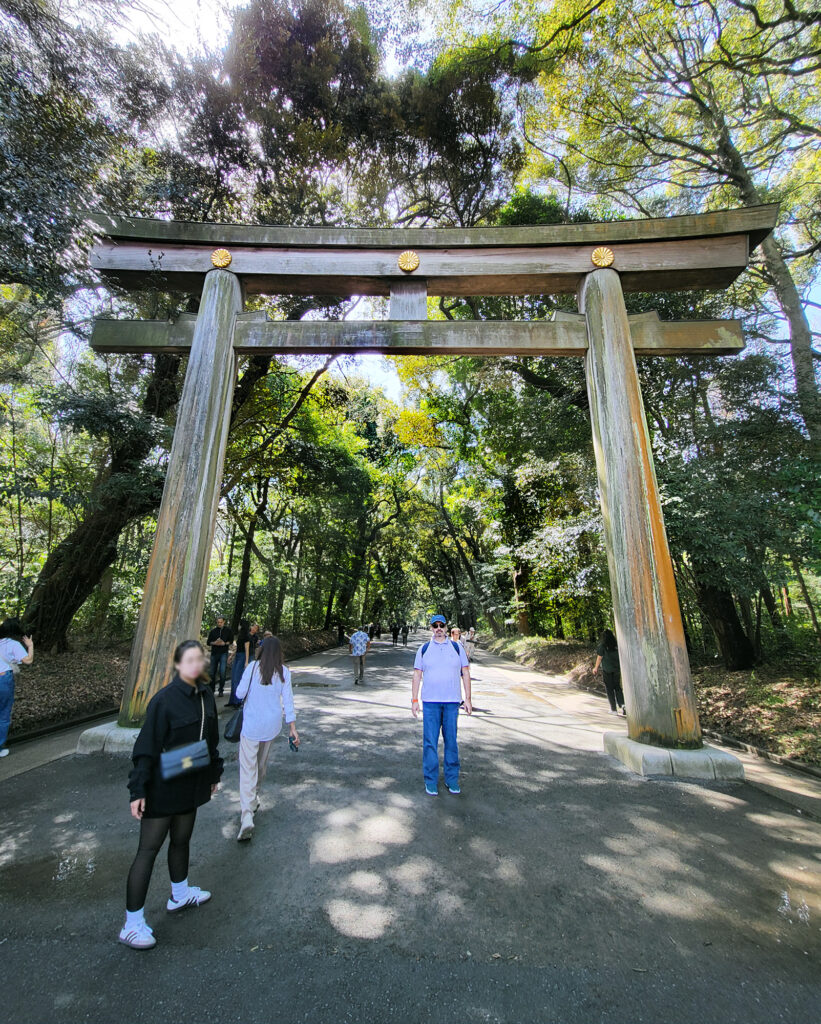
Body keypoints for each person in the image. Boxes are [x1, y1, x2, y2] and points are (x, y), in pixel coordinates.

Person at [121, 640, 223, 950]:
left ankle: (179, 894)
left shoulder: (205, 696)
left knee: (182, 839)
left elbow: (211, 741)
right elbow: (146, 748)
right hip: (163, 782)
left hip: (191, 780)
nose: (196, 665)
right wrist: (137, 789)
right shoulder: (163, 701)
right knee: (148, 850)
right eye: (189, 660)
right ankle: (132, 923)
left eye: (200, 660)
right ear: (178, 664)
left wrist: (213, 775)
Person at [235, 635, 299, 841]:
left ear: (261, 650)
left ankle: (247, 815)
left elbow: (239, 693)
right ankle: (254, 798)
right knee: (261, 766)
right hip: (271, 726)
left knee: (248, 768)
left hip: (252, 724)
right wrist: (293, 728)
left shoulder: (253, 667)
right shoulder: (284, 672)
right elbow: (288, 701)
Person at [411, 614, 471, 797]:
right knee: (430, 742)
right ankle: (430, 780)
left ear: (446, 627)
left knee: (451, 742)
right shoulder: (424, 649)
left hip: (452, 702)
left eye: (441, 625)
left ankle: (452, 779)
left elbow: (465, 672)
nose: (438, 628)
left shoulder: (456, 647)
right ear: (431, 628)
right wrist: (414, 700)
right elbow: (417, 675)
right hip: (430, 703)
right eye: (435, 625)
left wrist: (467, 698)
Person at [0, 618, 34, 758]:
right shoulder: (13, 644)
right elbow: (28, 661)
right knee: (3, 714)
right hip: (3, 679)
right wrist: (30, 646)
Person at [594, 628, 626, 716]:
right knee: (617, 687)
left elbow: (599, 657)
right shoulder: (617, 644)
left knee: (609, 688)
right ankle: (623, 705)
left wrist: (595, 668)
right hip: (616, 669)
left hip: (607, 670)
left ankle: (613, 709)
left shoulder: (602, 646)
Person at [226, 619, 251, 708]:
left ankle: (238, 701)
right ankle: (232, 700)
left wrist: (246, 661)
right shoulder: (240, 636)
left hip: (242, 657)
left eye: (240, 624)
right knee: (233, 678)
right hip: (237, 656)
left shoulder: (247, 636)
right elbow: (238, 648)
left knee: (237, 678)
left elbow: (247, 649)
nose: (238, 626)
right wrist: (231, 656)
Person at [206, 616, 233, 696]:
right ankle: (212, 690)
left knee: (222, 672)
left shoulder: (228, 631)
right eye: (218, 622)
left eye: (221, 622)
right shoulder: (213, 631)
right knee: (211, 673)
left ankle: (221, 689)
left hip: (223, 653)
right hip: (214, 653)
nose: (219, 624)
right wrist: (214, 643)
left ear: (224, 622)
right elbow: (208, 642)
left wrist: (224, 643)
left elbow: (230, 641)